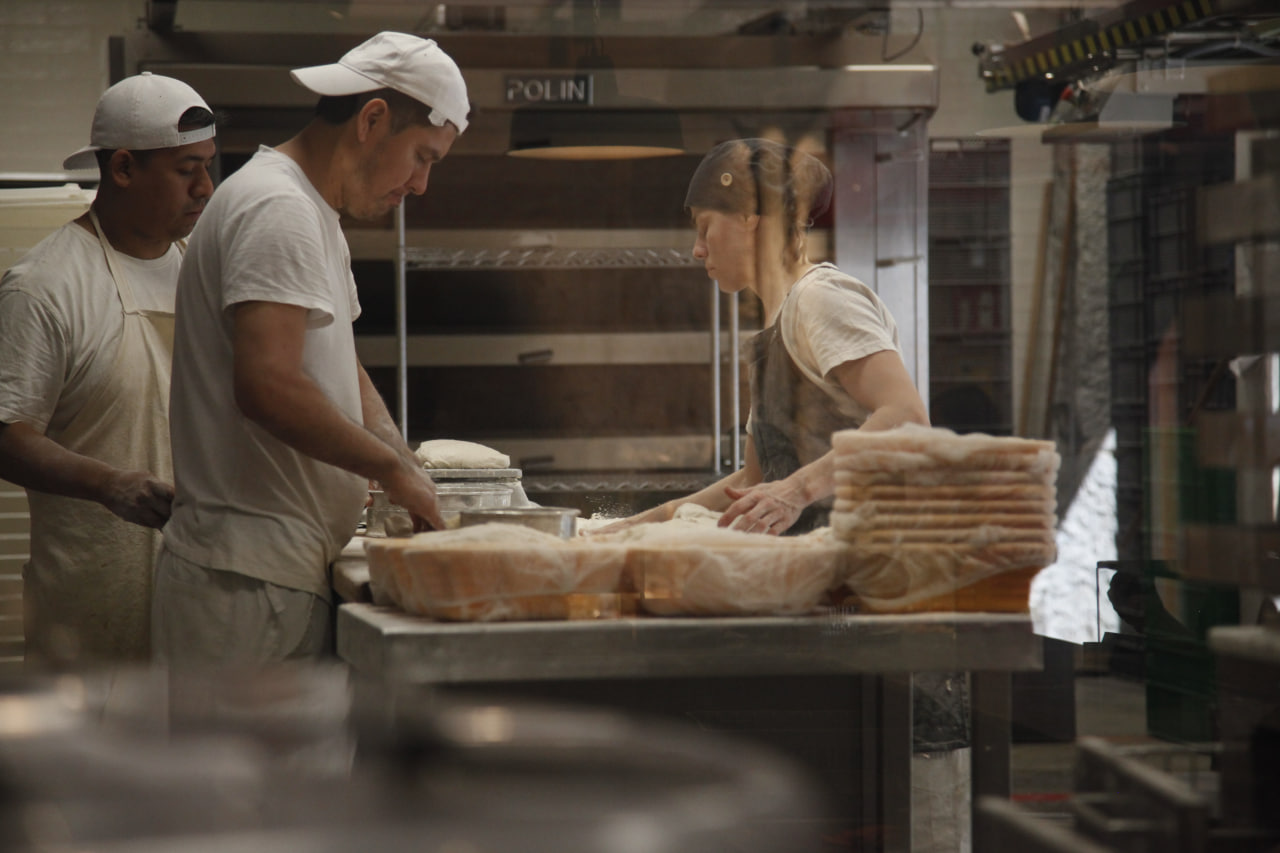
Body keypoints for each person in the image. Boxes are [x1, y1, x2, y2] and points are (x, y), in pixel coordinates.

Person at [155, 32, 465, 666]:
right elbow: (268, 384)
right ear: (372, 118)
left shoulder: (311, 210)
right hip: (247, 585)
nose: (422, 185)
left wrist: (402, 460)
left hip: (268, 576)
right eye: (423, 157)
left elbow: (339, 369)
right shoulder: (279, 207)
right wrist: (391, 471)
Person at [0, 73, 217, 664]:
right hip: (89, 606)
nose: (205, 187)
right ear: (122, 168)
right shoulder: (46, 286)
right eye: (185, 169)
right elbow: (8, 438)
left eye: (208, 165)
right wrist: (109, 484)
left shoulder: (202, 268)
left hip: (195, 597)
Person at [607, 138, 929, 536]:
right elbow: (751, 483)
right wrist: (640, 525)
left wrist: (797, 490)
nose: (697, 249)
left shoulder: (821, 297)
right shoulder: (776, 330)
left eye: (705, 228)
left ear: (747, 217)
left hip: (866, 567)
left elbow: (907, 419)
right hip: (812, 568)